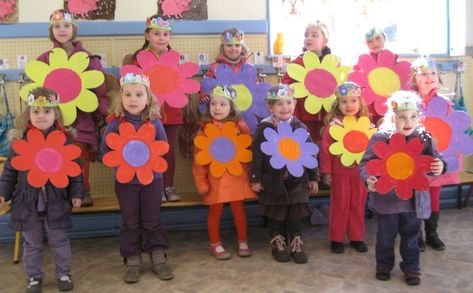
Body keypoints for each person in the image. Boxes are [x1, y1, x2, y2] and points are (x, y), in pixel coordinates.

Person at [0, 87, 83, 293]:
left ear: (56, 114)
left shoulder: (65, 140)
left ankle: (63, 273)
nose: (41, 116)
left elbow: (75, 173)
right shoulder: (20, 142)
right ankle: (34, 277)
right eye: (36, 111)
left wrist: (76, 194)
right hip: (27, 203)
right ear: (29, 114)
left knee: (59, 241)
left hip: (56, 203)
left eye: (47, 111)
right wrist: (2, 192)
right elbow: (9, 172)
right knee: (32, 244)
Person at [360, 90, 446, 286]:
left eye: (413, 117)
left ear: (419, 117)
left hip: (413, 202)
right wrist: (369, 179)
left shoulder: (424, 138)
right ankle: (383, 265)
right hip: (387, 201)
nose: (408, 122)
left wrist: (440, 165)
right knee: (385, 238)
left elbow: (434, 160)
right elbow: (365, 163)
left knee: (411, 238)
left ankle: (411, 267)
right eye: (402, 117)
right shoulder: (380, 138)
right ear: (393, 117)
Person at [101, 72, 173, 283]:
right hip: (125, 182)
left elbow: (163, 148)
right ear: (120, 98)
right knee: (130, 221)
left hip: (152, 180)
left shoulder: (154, 123)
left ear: (148, 98)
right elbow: (107, 150)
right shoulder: (115, 123)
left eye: (139, 94)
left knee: (152, 219)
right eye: (128, 94)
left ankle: (158, 257)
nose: (133, 99)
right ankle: (132, 260)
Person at [37, 9, 108, 207]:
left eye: (66, 26)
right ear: (52, 31)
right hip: (55, 119)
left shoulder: (87, 58)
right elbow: (38, 86)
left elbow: (99, 86)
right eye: (57, 26)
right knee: (56, 155)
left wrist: (102, 111)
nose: (62, 30)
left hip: (82, 119)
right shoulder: (45, 58)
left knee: (79, 155)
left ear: (73, 29)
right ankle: (60, 193)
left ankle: (83, 190)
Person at [250, 84, 319, 264]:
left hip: (297, 181)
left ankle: (296, 241)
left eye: (288, 102)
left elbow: (310, 153)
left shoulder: (300, 127)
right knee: (276, 212)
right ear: (270, 107)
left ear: (294, 104)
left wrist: (313, 177)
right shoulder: (264, 128)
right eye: (279, 104)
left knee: (295, 212)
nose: (285, 107)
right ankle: (278, 241)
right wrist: (256, 178)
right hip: (273, 182)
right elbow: (256, 155)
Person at [123, 14, 182, 202]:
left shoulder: (174, 59)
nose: (162, 37)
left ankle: (169, 185)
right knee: (149, 149)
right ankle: (154, 187)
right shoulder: (137, 60)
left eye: (166, 34)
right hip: (146, 114)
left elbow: (181, 84)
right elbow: (131, 87)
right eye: (157, 33)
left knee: (168, 150)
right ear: (147, 36)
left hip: (171, 113)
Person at [193, 85, 255, 260]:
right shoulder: (204, 129)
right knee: (215, 211)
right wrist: (201, 182)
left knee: (239, 210)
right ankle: (215, 243)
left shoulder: (239, 127)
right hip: (215, 179)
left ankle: (243, 240)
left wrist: (252, 177)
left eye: (222, 104)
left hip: (236, 177)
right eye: (213, 104)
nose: (217, 108)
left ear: (232, 108)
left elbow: (247, 153)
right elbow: (199, 160)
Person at [320, 82, 372, 253]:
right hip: (340, 173)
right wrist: (326, 172)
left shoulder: (366, 125)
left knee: (358, 203)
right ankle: (337, 238)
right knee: (340, 204)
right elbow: (326, 150)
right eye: (344, 102)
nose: (349, 105)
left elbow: (372, 150)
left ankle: (357, 237)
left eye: (353, 101)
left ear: (360, 103)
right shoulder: (334, 126)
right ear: (337, 104)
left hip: (360, 174)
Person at [411, 56, 455, 251]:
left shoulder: (445, 103)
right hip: (414, 159)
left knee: (434, 196)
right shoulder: (409, 101)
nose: (429, 77)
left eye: (433, 73)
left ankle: (432, 233)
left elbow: (451, 130)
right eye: (423, 74)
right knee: (416, 196)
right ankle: (416, 234)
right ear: (414, 79)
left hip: (437, 159)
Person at [282, 20, 331, 143]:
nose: (309, 38)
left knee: (323, 141)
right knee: (304, 141)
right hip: (303, 113)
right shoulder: (297, 62)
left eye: (314, 35)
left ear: (324, 41)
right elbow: (286, 83)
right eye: (306, 35)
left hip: (325, 113)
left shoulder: (332, 62)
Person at [198, 28, 250, 105]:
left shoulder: (248, 68)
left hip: (243, 110)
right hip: (221, 109)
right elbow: (205, 85)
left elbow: (255, 87)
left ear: (242, 48)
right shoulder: (214, 68)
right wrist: (204, 94)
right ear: (223, 48)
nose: (233, 48)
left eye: (237, 45)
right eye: (229, 45)